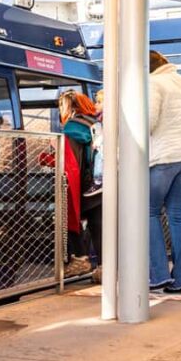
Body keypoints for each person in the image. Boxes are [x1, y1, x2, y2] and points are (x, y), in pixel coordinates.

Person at [148, 50, 181, 293]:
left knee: (148, 213)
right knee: (177, 216)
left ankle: (157, 275)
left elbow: (148, 121)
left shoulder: (153, 83)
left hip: (162, 157)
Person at [58, 90, 103, 282]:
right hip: (100, 181)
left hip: (84, 185)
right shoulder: (95, 123)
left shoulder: (72, 128)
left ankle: (80, 259)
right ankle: (105, 268)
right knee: (99, 226)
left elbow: (71, 162)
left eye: (62, 106)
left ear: (70, 107)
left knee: (69, 219)